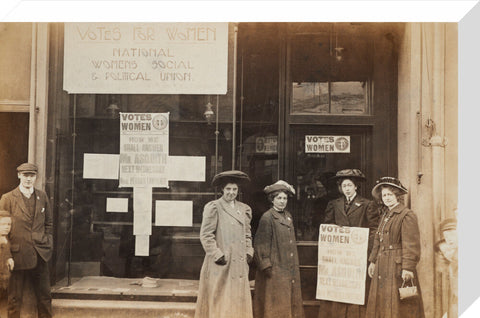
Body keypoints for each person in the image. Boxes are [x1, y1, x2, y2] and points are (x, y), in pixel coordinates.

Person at [319, 169, 379, 318]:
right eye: (344, 186)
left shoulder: (367, 204)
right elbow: (328, 225)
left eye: (349, 185)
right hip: (339, 257)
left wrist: (367, 250)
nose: (346, 188)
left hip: (358, 256)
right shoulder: (334, 204)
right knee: (339, 290)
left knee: (355, 291)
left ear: (356, 187)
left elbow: (374, 230)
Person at [194, 170, 254, 318]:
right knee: (221, 301)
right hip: (221, 263)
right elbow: (206, 235)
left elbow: (247, 234)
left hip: (239, 263)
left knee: (238, 302)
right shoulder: (214, 207)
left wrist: (248, 251)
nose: (231, 193)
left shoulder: (244, 209)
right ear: (222, 189)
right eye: (228, 189)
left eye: (234, 189)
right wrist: (217, 254)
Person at [366, 177, 424, 318]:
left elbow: (411, 245)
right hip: (382, 265)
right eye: (384, 195)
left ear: (397, 196)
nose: (387, 198)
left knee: (397, 307)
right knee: (382, 304)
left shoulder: (406, 215)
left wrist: (408, 268)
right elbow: (378, 241)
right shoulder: (385, 215)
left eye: (390, 195)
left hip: (396, 267)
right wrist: (373, 261)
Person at [0, 163, 53, 318]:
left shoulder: (42, 196)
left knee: (45, 297)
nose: (29, 179)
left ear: (36, 177)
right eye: (25, 175)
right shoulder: (8, 198)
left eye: (32, 176)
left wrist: (47, 242)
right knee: (15, 298)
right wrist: (7, 255)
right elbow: (1, 230)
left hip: (40, 254)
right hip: (17, 256)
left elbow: (49, 223)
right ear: (19, 176)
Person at [253, 180, 305, 318]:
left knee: (289, 302)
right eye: (279, 198)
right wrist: (266, 266)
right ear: (272, 200)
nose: (282, 201)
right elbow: (260, 244)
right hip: (275, 269)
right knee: (276, 305)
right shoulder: (267, 217)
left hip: (289, 267)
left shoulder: (288, 216)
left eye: (285, 198)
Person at [0, 210, 14, 317]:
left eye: (9, 224)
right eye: (3, 224)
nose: (7, 227)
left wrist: (9, 257)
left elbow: (7, 251)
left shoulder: (5, 239)